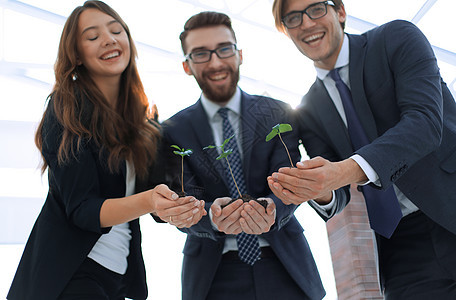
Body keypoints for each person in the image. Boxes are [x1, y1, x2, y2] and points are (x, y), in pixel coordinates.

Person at [7, 1, 205, 299]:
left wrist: (181, 210)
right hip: (69, 274)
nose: (109, 39)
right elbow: (82, 210)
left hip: (118, 276)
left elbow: (161, 194)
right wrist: (152, 200)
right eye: (92, 36)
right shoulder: (66, 108)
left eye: (116, 30)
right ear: (76, 54)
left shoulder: (144, 121)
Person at [268, 0, 456, 299]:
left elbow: (425, 123)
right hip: (403, 247)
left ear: (340, 12)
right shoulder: (309, 110)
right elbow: (338, 192)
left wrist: (343, 170)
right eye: (292, 18)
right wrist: (317, 188)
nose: (306, 23)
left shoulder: (396, 39)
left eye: (315, 9)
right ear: (287, 32)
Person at [162, 11, 325, 300]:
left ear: (239, 55)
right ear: (187, 66)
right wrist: (211, 216)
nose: (215, 62)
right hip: (213, 277)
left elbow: (290, 181)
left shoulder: (278, 113)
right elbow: (179, 198)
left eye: (224, 49)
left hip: (284, 266)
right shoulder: (172, 131)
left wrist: (270, 211)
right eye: (200, 54)